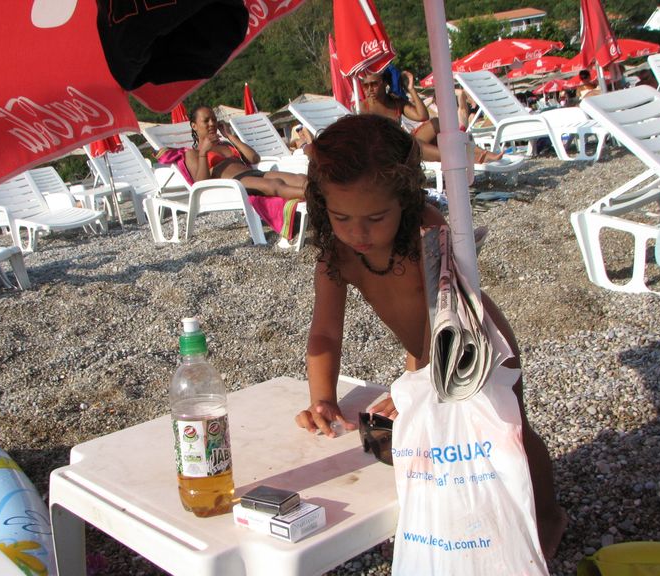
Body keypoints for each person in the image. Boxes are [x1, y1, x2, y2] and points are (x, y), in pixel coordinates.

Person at [293, 114, 567, 559]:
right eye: (341, 217)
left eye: (376, 217)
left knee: (509, 431)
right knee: (449, 441)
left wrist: (413, 385)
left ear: (404, 199)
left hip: (475, 343)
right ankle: (471, 520)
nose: (358, 232)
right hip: (424, 351)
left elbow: (441, 312)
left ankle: (548, 515)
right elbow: (325, 332)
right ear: (324, 206)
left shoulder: (426, 229)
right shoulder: (335, 255)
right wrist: (323, 398)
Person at [359, 70, 502, 163]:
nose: (370, 89)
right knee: (415, 145)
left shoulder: (395, 102)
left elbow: (422, 116)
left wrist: (411, 89)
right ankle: (473, 159)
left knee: (436, 123)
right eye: (366, 86)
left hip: (405, 143)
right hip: (390, 151)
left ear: (384, 83)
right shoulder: (364, 108)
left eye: (374, 84)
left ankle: (480, 152)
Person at [185, 106, 306, 201]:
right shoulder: (193, 153)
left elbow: (254, 158)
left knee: (300, 178)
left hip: (255, 173)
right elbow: (201, 185)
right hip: (236, 183)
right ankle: (313, 196)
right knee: (276, 184)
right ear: (194, 126)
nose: (212, 123)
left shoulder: (226, 144)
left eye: (214, 120)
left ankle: (316, 192)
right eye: (206, 121)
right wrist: (204, 152)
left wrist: (230, 136)